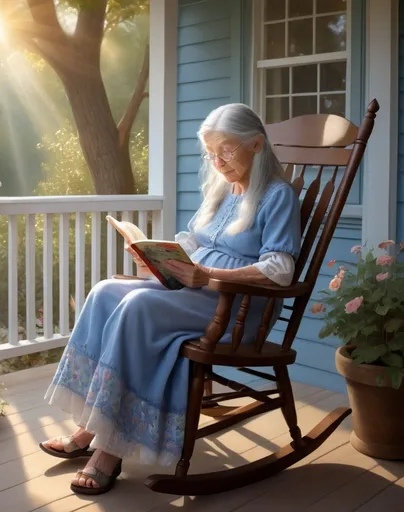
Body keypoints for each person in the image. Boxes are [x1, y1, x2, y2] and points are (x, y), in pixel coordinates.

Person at [41, 103, 302, 495]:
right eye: (211, 153)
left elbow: (281, 269)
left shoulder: (277, 196)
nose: (217, 161)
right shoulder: (226, 188)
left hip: (235, 307)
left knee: (137, 309)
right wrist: (154, 254)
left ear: (256, 145)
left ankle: (109, 449)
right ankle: (94, 423)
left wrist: (210, 274)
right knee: (104, 292)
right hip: (196, 290)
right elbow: (196, 241)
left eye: (226, 151)